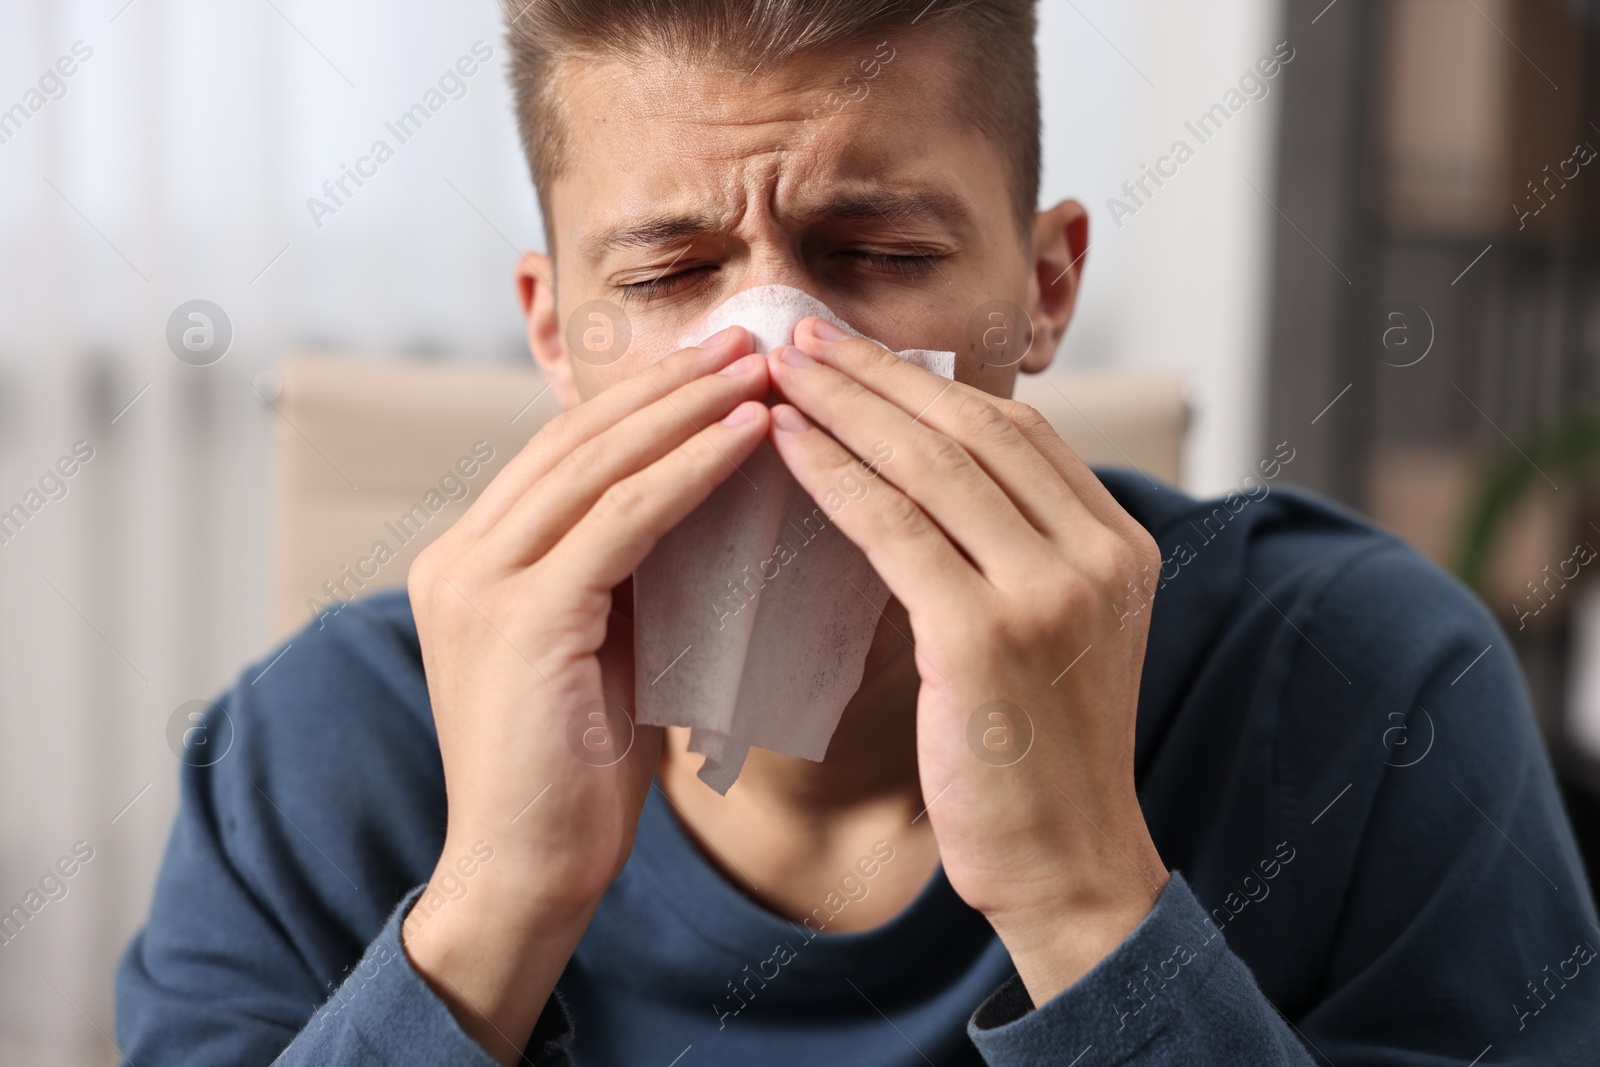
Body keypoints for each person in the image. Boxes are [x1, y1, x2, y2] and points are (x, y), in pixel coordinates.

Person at [115, 1, 1600, 1064]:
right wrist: (494, 908)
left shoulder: (1371, 688)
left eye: (881, 256)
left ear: (1044, 287)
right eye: (667, 274)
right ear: (553, 330)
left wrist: (1089, 903)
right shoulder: (314, 756)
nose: (774, 354)